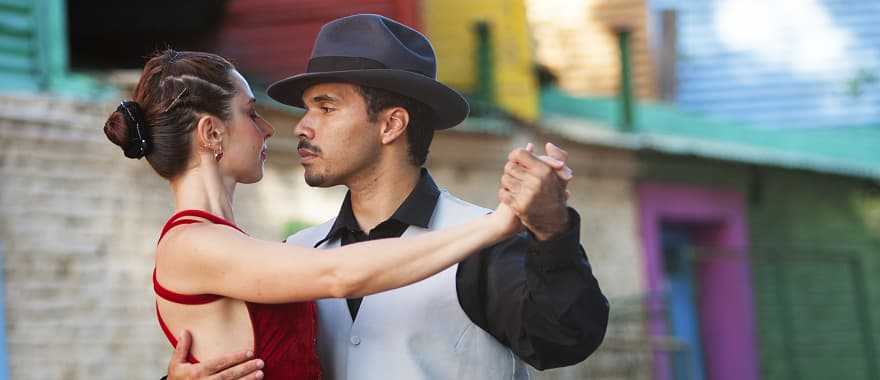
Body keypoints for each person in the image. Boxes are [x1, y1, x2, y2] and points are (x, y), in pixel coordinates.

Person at [167, 14, 609, 380]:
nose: (301, 126)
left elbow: (565, 338)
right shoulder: (298, 253)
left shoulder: (481, 245)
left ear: (391, 125)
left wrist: (552, 230)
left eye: (325, 107)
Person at [104, 48, 527, 380]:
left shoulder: (225, 242)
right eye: (251, 113)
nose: (269, 129)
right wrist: (495, 224)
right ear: (212, 133)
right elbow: (338, 275)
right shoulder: (192, 243)